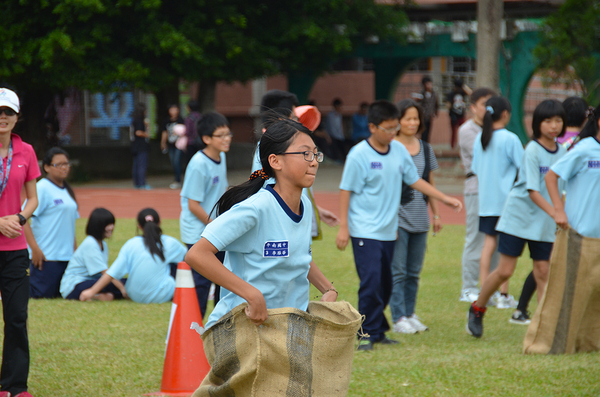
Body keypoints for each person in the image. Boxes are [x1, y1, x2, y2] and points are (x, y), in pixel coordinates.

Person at [184, 117, 338, 330]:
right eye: (305, 154)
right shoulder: (255, 208)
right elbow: (196, 254)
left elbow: (299, 255)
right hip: (243, 331)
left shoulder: (305, 204)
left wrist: (329, 289)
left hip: (287, 329)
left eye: (315, 154)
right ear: (275, 161)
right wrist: (252, 295)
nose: (313, 161)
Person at [336, 100, 462, 351]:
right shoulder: (358, 154)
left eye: (395, 128)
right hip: (364, 230)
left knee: (386, 283)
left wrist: (443, 198)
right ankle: (364, 334)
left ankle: (379, 331)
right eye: (388, 128)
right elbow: (345, 190)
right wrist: (343, 227)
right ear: (372, 127)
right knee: (371, 282)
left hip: (388, 231)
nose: (393, 133)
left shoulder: (398, 151)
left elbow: (415, 180)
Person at [466, 100, 567, 337]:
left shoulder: (563, 153)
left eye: (558, 120)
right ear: (537, 124)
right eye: (548, 121)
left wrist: (558, 212)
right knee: (505, 271)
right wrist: (556, 212)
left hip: (544, 220)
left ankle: (544, 327)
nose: (554, 126)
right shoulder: (532, 149)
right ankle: (477, 308)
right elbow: (532, 191)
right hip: (519, 215)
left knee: (543, 270)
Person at [465, 96, 525, 337]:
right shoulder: (510, 139)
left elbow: (477, 169)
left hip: (487, 201)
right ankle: (503, 295)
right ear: (507, 114)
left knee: (489, 246)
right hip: (507, 202)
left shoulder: (482, 137)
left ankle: (484, 293)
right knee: (504, 252)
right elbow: (524, 167)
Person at [0, 87, 40, 397]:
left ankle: (14, 385)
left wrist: (20, 219)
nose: (2, 117)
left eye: (8, 112)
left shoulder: (25, 151)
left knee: (16, 317)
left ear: (17, 117)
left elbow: (33, 198)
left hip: (14, 251)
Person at [389, 99, 441, 334]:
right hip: (397, 218)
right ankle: (398, 316)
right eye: (407, 118)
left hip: (420, 217)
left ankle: (410, 313)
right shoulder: (389, 147)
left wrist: (437, 213)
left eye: (415, 118)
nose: (412, 123)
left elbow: (429, 181)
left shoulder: (426, 148)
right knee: (397, 271)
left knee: (413, 272)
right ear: (397, 121)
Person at [180, 112, 230, 316]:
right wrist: (215, 225)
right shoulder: (199, 164)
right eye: (221, 135)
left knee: (224, 278)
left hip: (216, 228)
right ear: (206, 139)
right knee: (201, 282)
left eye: (228, 134)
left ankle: (218, 324)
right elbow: (193, 204)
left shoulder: (221, 157)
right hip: (198, 232)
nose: (227, 139)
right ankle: (194, 328)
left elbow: (222, 191)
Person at [80, 208, 187, 303]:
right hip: (161, 296)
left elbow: (112, 272)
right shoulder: (170, 243)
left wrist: (92, 291)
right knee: (178, 265)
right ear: (159, 223)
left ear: (139, 226)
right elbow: (189, 258)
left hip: (134, 296)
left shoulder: (131, 243)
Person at [457, 87, 499, 303]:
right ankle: (469, 288)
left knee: (495, 240)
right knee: (476, 239)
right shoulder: (467, 130)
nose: (489, 109)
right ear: (473, 107)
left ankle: (491, 288)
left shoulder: (496, 129)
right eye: (484, 104)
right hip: (477, 188)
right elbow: (488, 153)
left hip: (497, 190)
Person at [26, 147, 78, 298]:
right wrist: (34, 249)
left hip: (66, 257)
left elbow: (70, 226)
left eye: (66, 164)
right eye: (59, 164)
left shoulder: (67, 191)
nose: (64, 167)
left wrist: (75, 253)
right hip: (47, 257)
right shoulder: (41, 188)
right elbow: (23, 220)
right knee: (42, 294)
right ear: (47, 167)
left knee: (61, 294)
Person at [60, 208, 125, 301]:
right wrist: (122, 288)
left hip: (91, 281)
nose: (111, 227)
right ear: (98, 226)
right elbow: (106, 273)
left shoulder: (103, 244)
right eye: (107, 225)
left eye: (112, 224)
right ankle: (97, 295)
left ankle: (103, 296)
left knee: (125, 282)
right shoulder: (90, 244)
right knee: (119, 284)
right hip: (74, 286)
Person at [160, 104, 186, 189]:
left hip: (179, 145)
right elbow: (165, 132)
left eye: (175, 110)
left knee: (177, 161)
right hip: (171, 144)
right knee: (173, 162)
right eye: (172, 110)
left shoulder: (181, 120)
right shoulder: (166, 121)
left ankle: (178, 180)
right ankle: (177, 178)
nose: (174, 112)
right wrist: (163, 142)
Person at [446, 79, 472, 149]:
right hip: (454, 115)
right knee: (454, 132)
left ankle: (462, 145)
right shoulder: (451, 94)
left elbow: (471, 93)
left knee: (463, 130)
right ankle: (452, 146)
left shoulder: (462, 92)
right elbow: (448, 104)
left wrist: (463, 86)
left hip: (461, 115)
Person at [130, 103, 151, 189]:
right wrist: (146, 134)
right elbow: (138, 132)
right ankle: (142, 183)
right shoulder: (139, 121)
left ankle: (137, 183)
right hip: (141, 146)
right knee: (141, 165)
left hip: (134, 145)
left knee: (136, 165)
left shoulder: (134, 120)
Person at [415, 76, 438, 143]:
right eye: (427, 84)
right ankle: (423, 144)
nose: (429, 85)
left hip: (430, 116)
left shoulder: (434, 94)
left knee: (428, 131)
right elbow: (419, 104)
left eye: (430, 83)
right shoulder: (422, 94)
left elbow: (435, 104)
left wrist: (435, 112)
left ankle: (427, 144)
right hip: (423, 116)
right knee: (424, 132)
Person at [183, 100, 202, 170]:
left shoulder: (189, 118)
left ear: (189, 108)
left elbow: (187, 132)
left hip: (191, 142)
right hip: (200, 141)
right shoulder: (201, 117)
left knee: (191, 161)